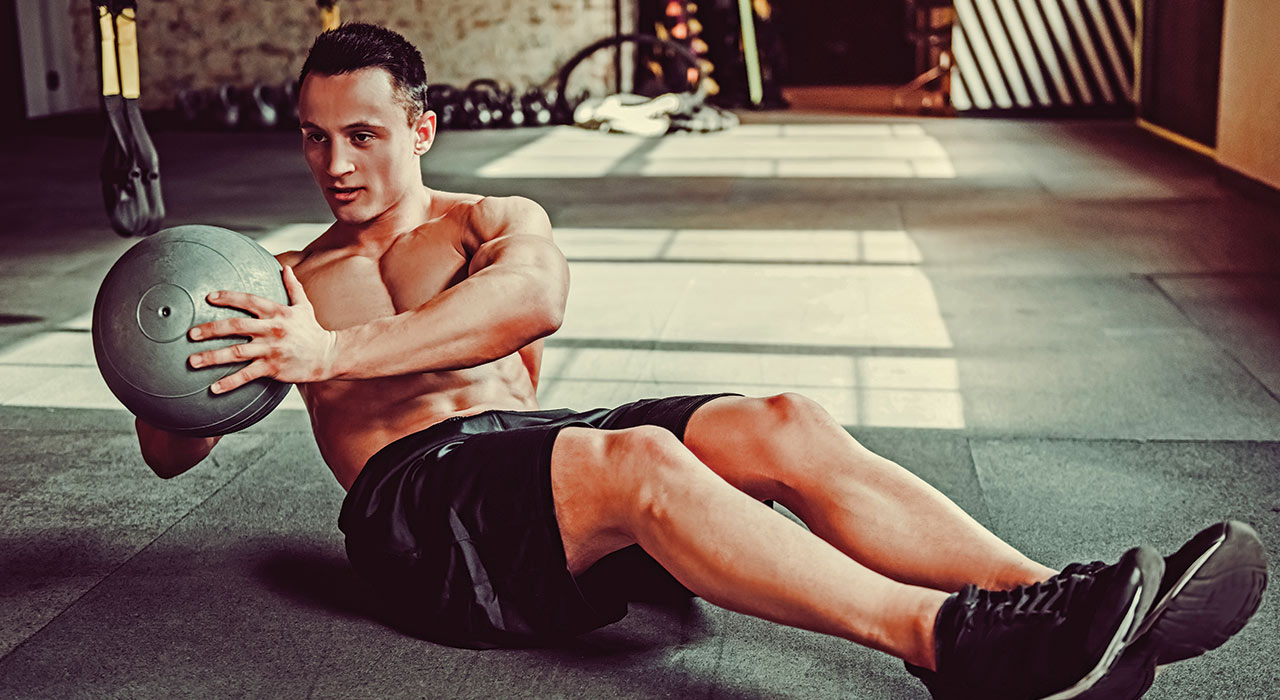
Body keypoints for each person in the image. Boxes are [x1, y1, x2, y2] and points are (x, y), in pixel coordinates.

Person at [134, 23, 1268, 700]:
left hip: (533, 458)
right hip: (420, 520)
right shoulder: (277, 275)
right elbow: (173, 446)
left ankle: (1054, 604)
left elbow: (527, 304)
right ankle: (947, 642)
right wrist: (160, 349)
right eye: (314, 134)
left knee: (781, 420)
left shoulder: (490, 221)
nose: (333, 161)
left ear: (419, 129)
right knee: (633, 460)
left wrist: (334, 352)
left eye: (363, 133)